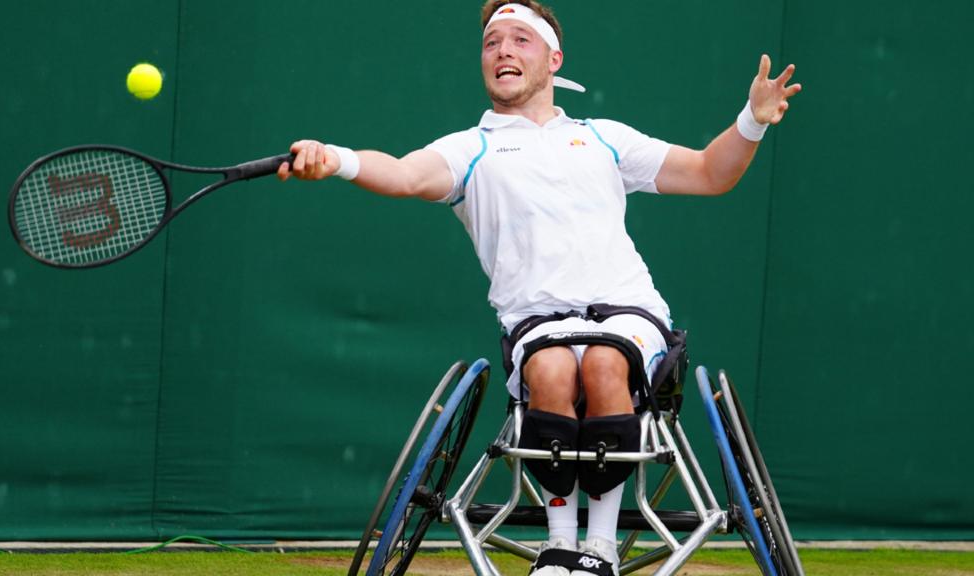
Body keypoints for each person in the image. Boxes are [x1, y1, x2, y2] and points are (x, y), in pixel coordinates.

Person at [278, 1, 801, 574]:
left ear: (553, 58)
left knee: (604, 364)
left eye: (519, 40)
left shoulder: (603, 138)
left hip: (628, 316)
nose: (502, 50)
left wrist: (751, 119)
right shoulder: (469, 148)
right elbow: (403, 175)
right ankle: (559, 545)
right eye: (491, 42)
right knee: (552, 371)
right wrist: (337, 160)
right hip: (538, 324)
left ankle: (598, 547)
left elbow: (709, 172)